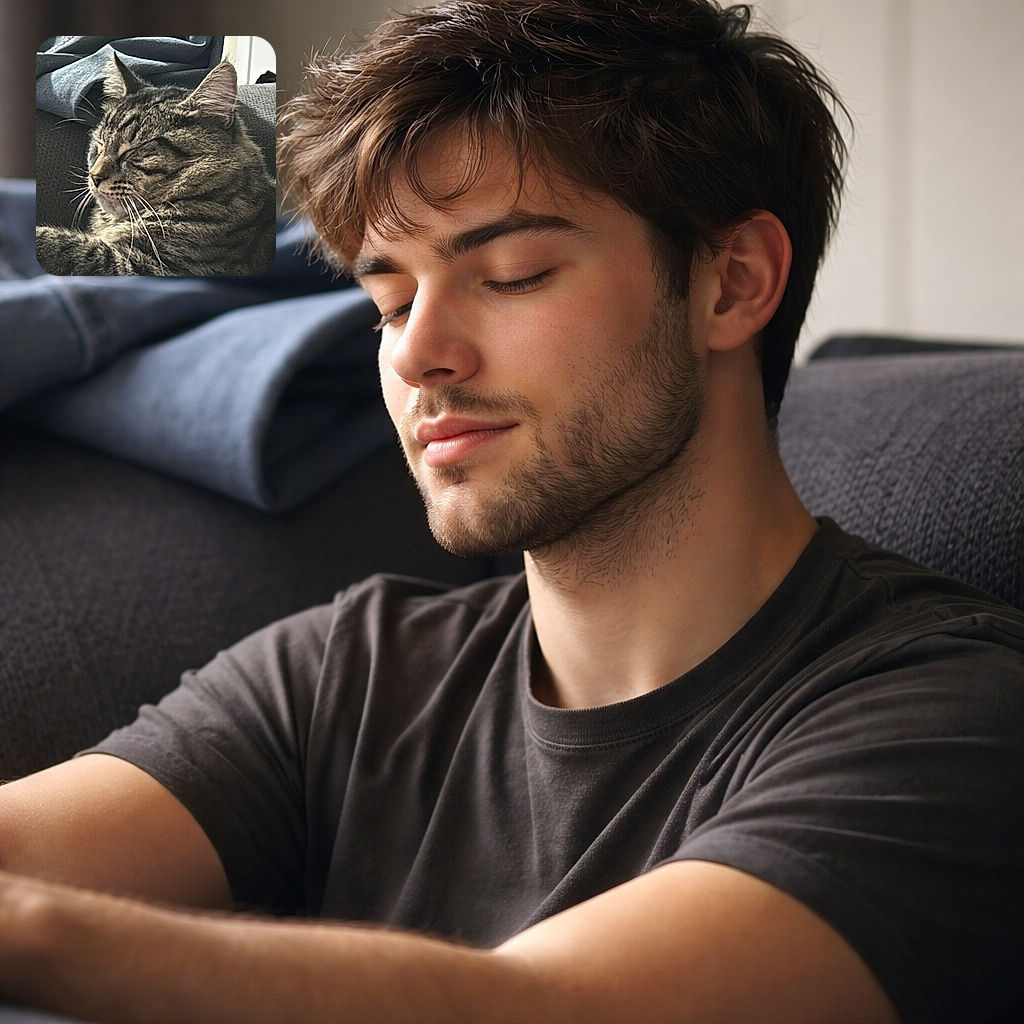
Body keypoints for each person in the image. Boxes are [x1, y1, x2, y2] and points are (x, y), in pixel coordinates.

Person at [2, 1, 1022, 1021]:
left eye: (509, 275)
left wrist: (41, 934)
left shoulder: (952, 718)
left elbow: (540, 1005)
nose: (416, 353)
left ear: (732, 284)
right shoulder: (353, 672)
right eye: (390, 302)